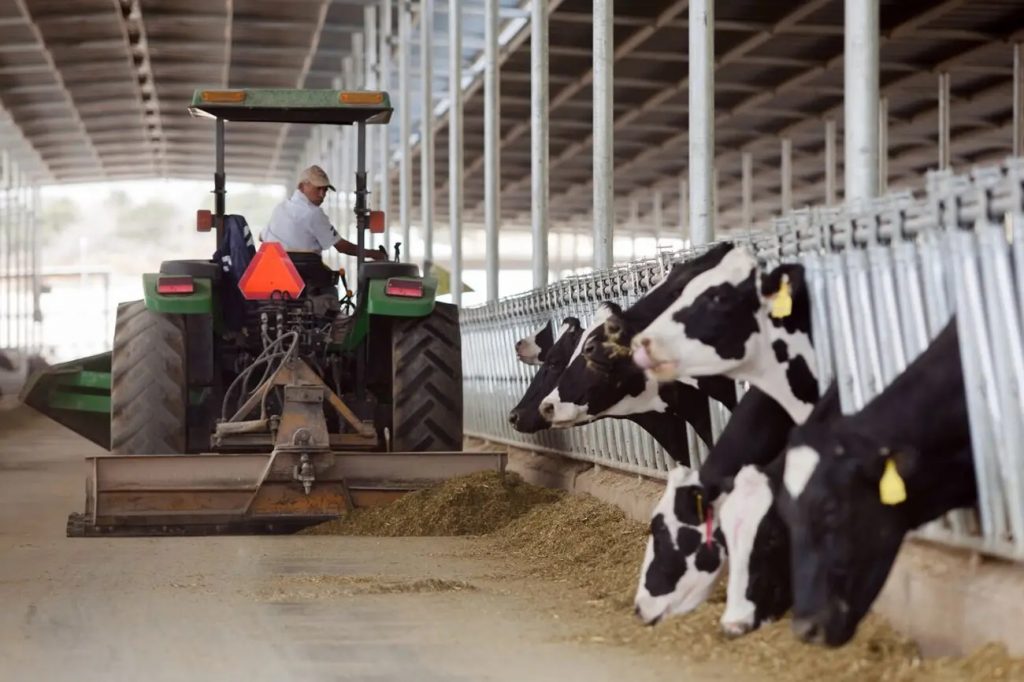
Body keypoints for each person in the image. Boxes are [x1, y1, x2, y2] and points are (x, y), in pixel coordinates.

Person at [261, 165, 386, 260]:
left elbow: (261, 237)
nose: (322, 194)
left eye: (325, 190)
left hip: (270, 270)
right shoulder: (313, 213)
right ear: (302, 186)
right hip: (301, 277)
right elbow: (342, 247)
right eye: (318, 188)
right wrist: (374, 254)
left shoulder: (280, 207)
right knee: (330, 289)